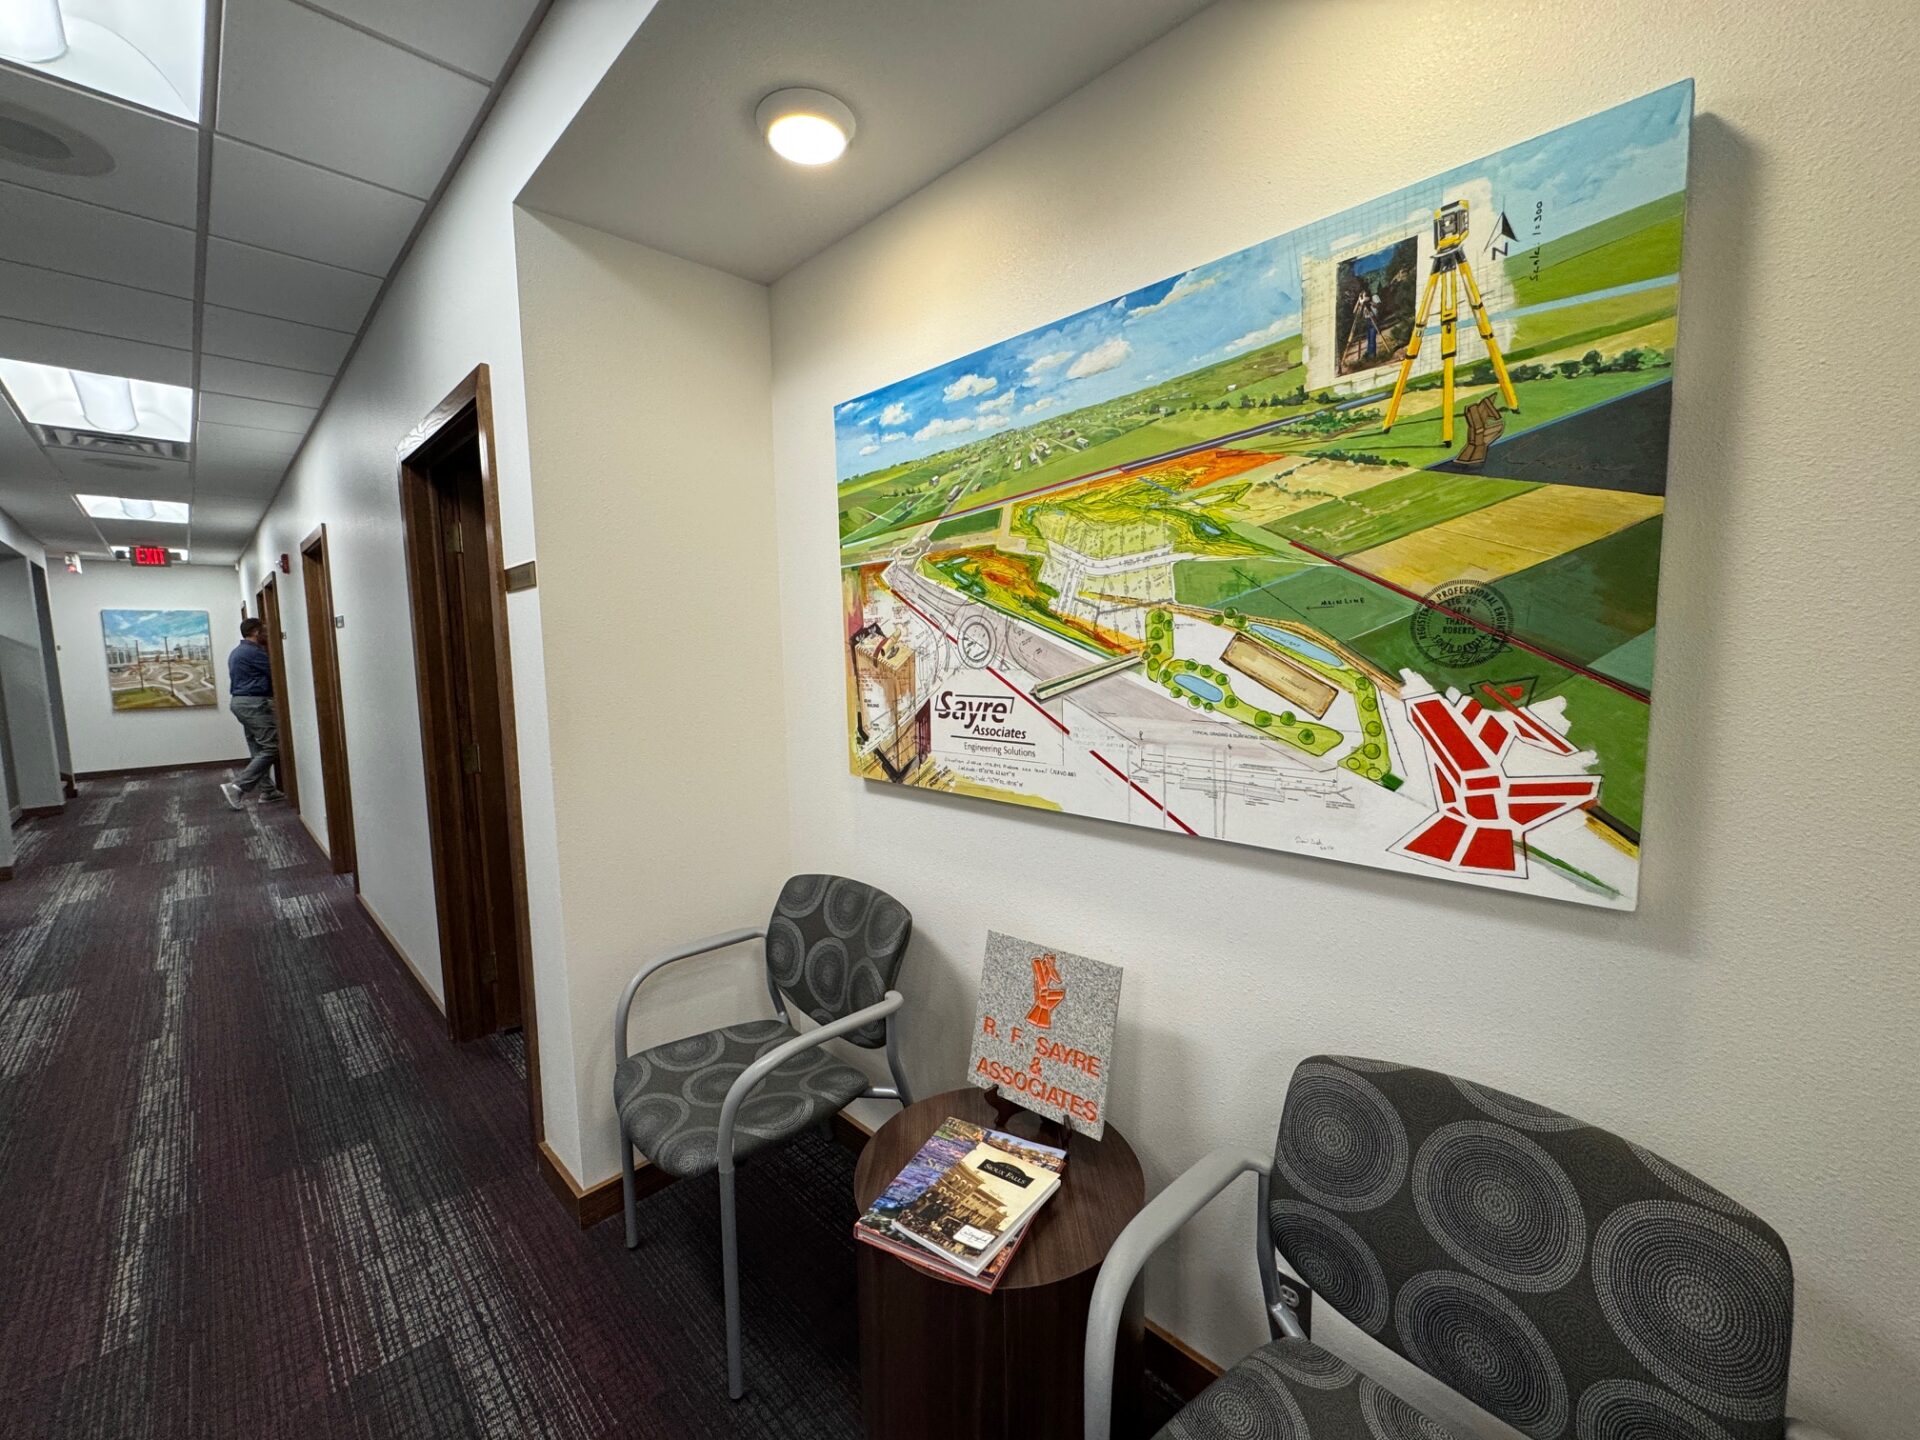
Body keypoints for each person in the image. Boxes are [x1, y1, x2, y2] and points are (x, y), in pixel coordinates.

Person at [222, 618, 284, 809]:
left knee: (257, 747)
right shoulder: (253, 652)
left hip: (241, 703)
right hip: (253, 704)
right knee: (272, 747)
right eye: (264, 630)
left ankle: (268, 790)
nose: (267, 634)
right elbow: (277, 672)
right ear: (256, 632)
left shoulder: (237, 651)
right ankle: (237, 787)